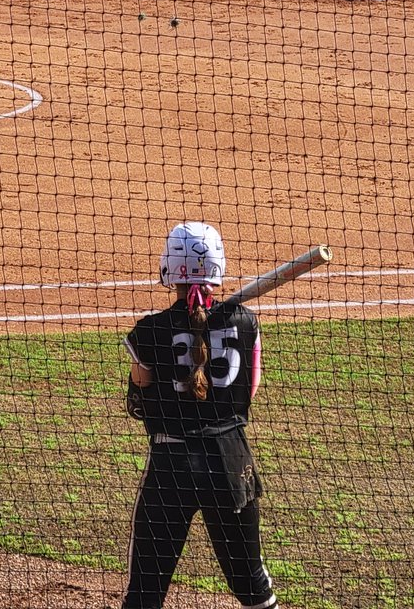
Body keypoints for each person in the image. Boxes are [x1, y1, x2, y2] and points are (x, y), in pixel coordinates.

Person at [121, 222, 277, 609]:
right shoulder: (247, 323)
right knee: (251, 582)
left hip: (172, 466)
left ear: (169, 269)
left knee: (145, 593)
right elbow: (249, 392)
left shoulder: (148, 332)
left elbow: (139, 403)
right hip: (230, 462)